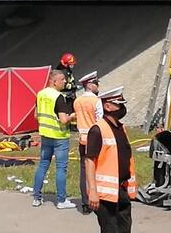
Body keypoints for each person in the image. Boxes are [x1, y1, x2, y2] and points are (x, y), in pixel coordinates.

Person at [85, 86, 136, 233]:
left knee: (125, 229)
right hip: (105, 194)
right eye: (118, 104)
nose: (122, 107)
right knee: (110, 230)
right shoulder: (97, 130)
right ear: (107, 106)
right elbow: (89, 162)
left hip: (121, 189)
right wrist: (93, 192)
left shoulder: (121, 128)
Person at [32, 70, 76, 209]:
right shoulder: (59, 97)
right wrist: (73, 117)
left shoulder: (40, 94)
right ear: (54, 81)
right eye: (62, 79)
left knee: (43, 166)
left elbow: (35, 116)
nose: (65, 82)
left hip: (45, 135)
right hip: (59, 136)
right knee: (61, 168)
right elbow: (63, 120)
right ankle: (61, 200)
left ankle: (36, 198)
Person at [73, 71, 103, 214]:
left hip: (82, 140)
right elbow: (100, 121)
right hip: (95, 140)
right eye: (96, 83)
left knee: (84, 171)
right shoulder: (97, 101)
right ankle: (97, 199)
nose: (98, 86)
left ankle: (85, 203)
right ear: (90, 85)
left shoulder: (77, 101)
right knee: (97, 170)